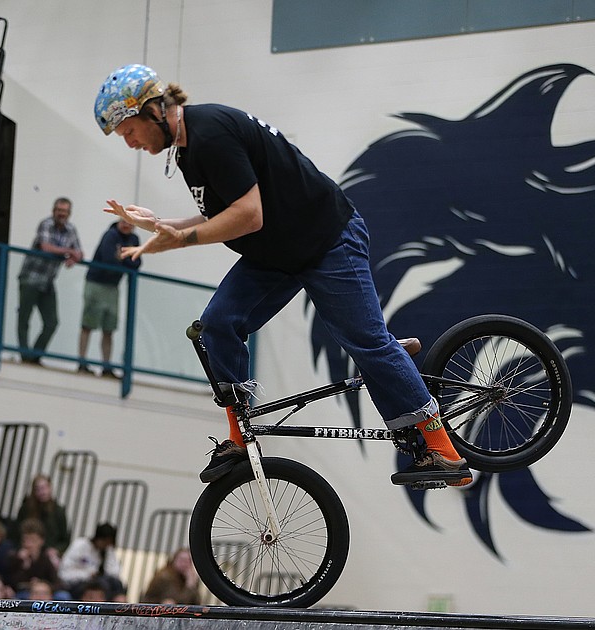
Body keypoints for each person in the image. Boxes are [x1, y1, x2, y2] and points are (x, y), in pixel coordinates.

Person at [94, 63, 471, 487]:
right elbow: (224, 215)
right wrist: (162, 224)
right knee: (217, 325)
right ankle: (240, 440)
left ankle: (442, 450)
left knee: (365, 342)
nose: (129, 143)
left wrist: (181, 240)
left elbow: (248, 216)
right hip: (278, 251)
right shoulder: (187, 149)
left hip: (326, 239)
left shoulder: (211, 134)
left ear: (151, 111)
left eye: (128, 131)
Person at [16, 197, 83, 364]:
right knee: (24, 318)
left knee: (52, 322)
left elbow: (79, 252)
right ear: (54, 211)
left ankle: (35, 356)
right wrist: (68, 252)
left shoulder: (71, 229)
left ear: (69, 214)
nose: (62, 214)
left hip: (47, 282)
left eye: (65, 211)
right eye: (59, 210)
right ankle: (25, 356)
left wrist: (74, 258)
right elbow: (46, 247)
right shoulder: (45, 224)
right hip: (31, 277)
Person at [77, 220, 141, 377]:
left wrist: (121, 257)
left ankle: (106, 366)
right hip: (96, 283)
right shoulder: (110, 235)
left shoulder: (134, 239)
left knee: (109, 328)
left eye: (130, 223)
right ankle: (82, 363)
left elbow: (137, 263)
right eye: (124, 221)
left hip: (113, 287)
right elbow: (109, 260)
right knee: (88, 324)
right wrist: (126, 258)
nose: (126, 225)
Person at [58, 523, 123, 601]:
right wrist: (88, 574)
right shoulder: (80, 545)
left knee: (116, 583)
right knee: (103, 584)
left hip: (98, 582)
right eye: (104, 541)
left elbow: (115, 572)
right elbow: (64, 572)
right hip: (76, 583)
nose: (106, 545)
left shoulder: (107, 551)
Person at [12, 474, 70, 554]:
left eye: (44, 488)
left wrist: (56, 550)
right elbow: (16, 532)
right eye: (38, 489)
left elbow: (65, 540)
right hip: (27, 548)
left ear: (50, 488)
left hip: (48, 551)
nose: (42, 492)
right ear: (34, 491)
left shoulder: (58, 511)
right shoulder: (26, 508)